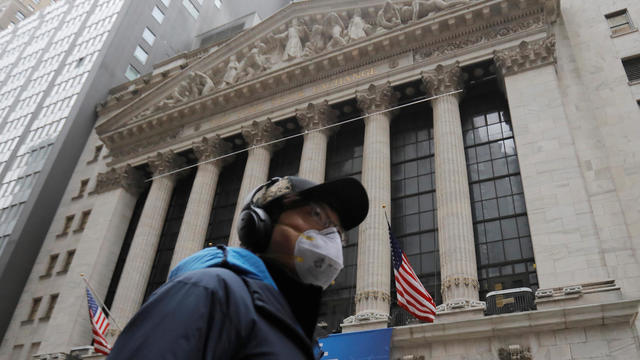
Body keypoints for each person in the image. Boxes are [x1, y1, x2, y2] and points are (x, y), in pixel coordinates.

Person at [108, 176, 369, 359]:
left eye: (338, 232)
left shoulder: (296, 334)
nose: (331, 238)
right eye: (316, 215)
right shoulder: (209, 290)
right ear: (259, 223)